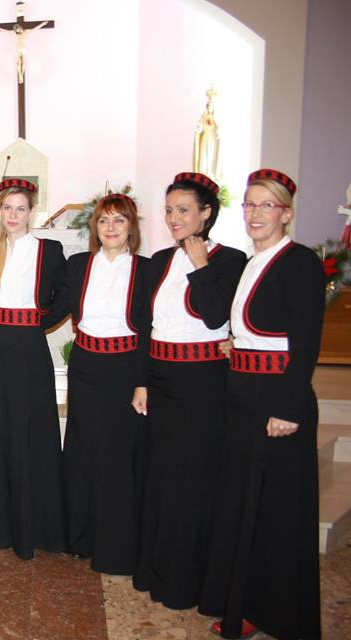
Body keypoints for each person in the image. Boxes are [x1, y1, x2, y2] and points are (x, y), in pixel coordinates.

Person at [199, 169, 324, 640]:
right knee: (243, 507)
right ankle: (246, 604)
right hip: (243, 398)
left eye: (265, 206)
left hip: (277, 404)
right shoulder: (254, 262)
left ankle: (278, 614)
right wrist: (239, 345)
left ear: (286, 214)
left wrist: (289, 408)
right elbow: (261, 330)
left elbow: (305, 341)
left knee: (275, 515)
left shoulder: (300, 262)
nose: (254, 213)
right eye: (249, 205)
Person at [131, 172, 246, 609]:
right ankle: (155, 568)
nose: (174, 218)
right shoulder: (159, 260)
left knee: (192, 483)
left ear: (206, 213)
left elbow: (217, 318)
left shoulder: (230, 260)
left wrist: (201, 266)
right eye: (169, 210)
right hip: (160, 380)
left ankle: (186, 580)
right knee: (159, 479)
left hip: (202, 385)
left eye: (183, 210)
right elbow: (146, 325)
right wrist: (141, 380)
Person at [0, 178, 69, 559]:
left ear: (32, 212)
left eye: (20, 208)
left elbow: (66, 295)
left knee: (34, 428)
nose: (13, 215)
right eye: (7, 208)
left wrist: (41, 320)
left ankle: (37, 528)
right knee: (0, 427)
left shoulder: (49, 250)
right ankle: (0, 526)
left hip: (30, 346)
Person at [61, 193, 149, 574]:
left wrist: (142, 383)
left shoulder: (146, 269)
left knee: (117, 456)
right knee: (83, 451)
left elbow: (149, 329)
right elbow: (56, 305)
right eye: (103, 221)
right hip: (84, 364)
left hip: (125, 367)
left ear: (131, 227)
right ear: (94, 228)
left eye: (119, 221)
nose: (110, 228)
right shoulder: (79, 264)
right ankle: (79, 537)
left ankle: (115, 545)